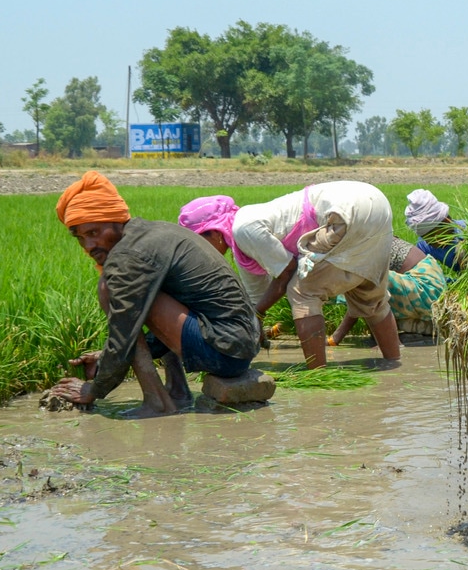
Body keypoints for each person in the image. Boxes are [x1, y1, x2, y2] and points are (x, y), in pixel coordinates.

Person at [46, 171, 261, 417]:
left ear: (117, 221)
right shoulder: (152, 233)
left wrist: (95, 388)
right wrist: (106, 356)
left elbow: (124, 332)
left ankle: (157, 403)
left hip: (225, 352)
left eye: (94, 233)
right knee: (146, 291)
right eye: (80, 238)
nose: (89, 246)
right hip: (238, 345)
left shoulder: (128, 257)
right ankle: (178, 390)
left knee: (107, 288)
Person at [177, 182, 403, 369]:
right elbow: (255, 299)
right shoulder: (244, 239)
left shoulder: (243, 227)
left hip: (344, 209)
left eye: (199, 242)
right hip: (376, 202)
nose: (201, 252)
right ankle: (394, 364)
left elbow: (286, 273)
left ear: (214, 233)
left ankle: (318, 374)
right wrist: (254, 323)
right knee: (367, 293)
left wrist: (257, 313)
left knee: (302, 291)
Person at [328, 235, 447, 344]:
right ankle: (385, 339)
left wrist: (335, 339)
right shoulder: (366, 241)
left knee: (366, 283)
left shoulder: (363, 248)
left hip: (426, 289)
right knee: (367, 288)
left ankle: (391, 343)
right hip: (428, 295)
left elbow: (363, 298)